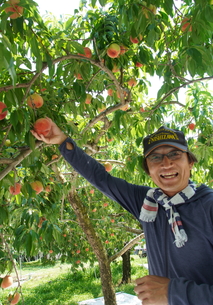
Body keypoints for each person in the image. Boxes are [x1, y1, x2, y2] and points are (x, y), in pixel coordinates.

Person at [31, 119, 213, 305]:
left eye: (175, 154)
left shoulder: (209, 206)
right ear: (148, 170)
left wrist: (173, 292)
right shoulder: (148, 203)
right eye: (155, 158)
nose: (166, 163)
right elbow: (102, 179)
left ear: (190, 162)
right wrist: (63, 141)